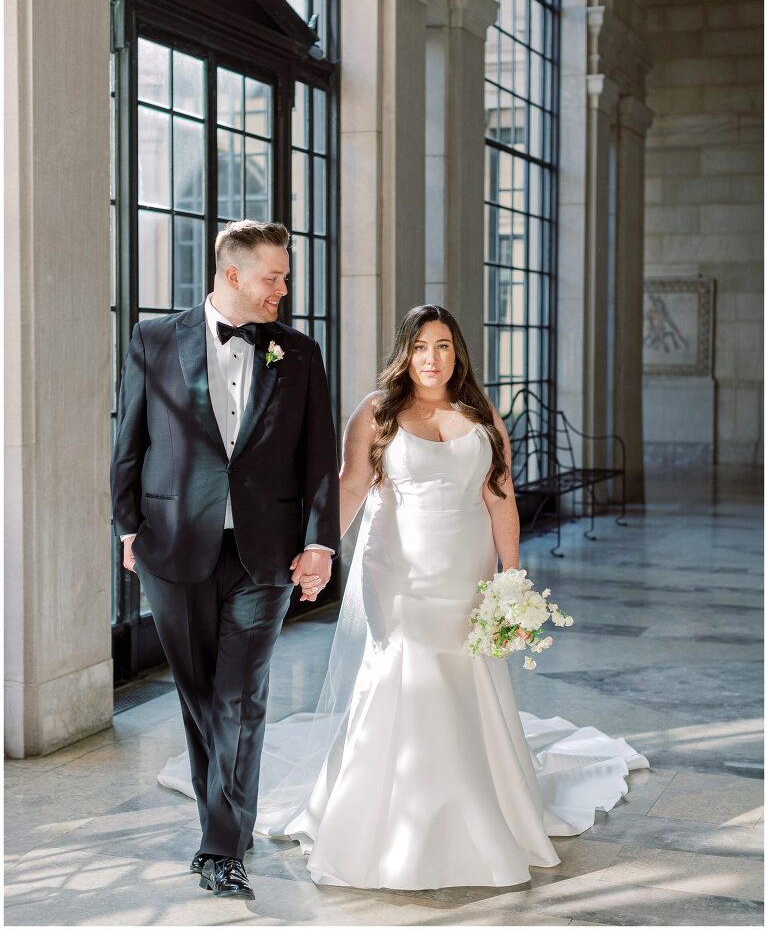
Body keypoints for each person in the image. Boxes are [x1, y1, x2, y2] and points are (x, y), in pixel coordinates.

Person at [158, 303, 649, 891]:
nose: (432, 359)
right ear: (404, 353)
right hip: (397, 572)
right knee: (406, 672)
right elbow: (349, 488)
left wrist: (512, 580)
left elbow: (501, 499)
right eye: (420, 347)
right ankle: (392, 817)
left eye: (442, 346)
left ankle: (477, 804)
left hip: (466, 573)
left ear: (457, 353)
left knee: (467, 678)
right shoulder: (377, 413)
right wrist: (317, 551)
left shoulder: (482, 415)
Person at [111, 219, 339, 900]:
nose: (284, 289)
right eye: (274, 276)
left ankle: (222, 846)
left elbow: (319, 456)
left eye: (286, 276)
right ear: (233, 275)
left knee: (240, 697)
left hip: (263, 554)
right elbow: (129, 437)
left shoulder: (297, 354)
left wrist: (320, 541)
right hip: (172, 545)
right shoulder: (154, 340)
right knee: (201, 696)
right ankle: (223, 831)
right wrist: (126, 528)